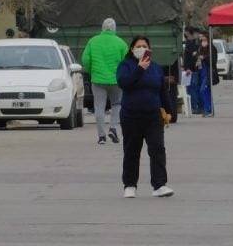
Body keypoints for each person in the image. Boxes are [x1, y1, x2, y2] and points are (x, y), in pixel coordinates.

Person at [117, 35, 175, 198]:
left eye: (144, 46)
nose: (141, 48)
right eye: (138, 46)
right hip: (131, 116)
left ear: (149, 49)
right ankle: (129, 185)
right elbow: (124, 83)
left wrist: (169, 111)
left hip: (153, 116)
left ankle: (159, 185)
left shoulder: (156, 68)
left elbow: (163, 90)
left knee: (157, 149)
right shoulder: (126, 66)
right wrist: (139, 69)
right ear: (132, 49)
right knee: (132, 151)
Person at [82, 17, 128, 144]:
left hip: (98, 79)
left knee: (99, 107)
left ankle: (101, 136)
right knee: (117, 104)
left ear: (102, 28)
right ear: (114, 28)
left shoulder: (93, 41)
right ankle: (113, 128)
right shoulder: (121, 43)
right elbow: (127, 62)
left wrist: (92, 71)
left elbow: (85, 60)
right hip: (116, 80)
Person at [196, 31, 218, 116]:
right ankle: (209, 109)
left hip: (209, 72)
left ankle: (208, 109)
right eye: (202, 40)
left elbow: (213, 61)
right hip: (202, 71)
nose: (203, 42)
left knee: (203, 89)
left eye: (205, 39)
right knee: (206, 91)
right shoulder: (201, 49)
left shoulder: (212, 49)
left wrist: (204, 58)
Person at [182, 27, 202, 115]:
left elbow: (191, 58)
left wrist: (189, 68)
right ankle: (194, 107)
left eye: (185, 32)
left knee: (192, 89)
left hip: (191, 70)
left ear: (188, 32)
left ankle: (194, 107)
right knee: (191, 89)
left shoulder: (192, 43)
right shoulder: (192, 43)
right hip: (191, 69)